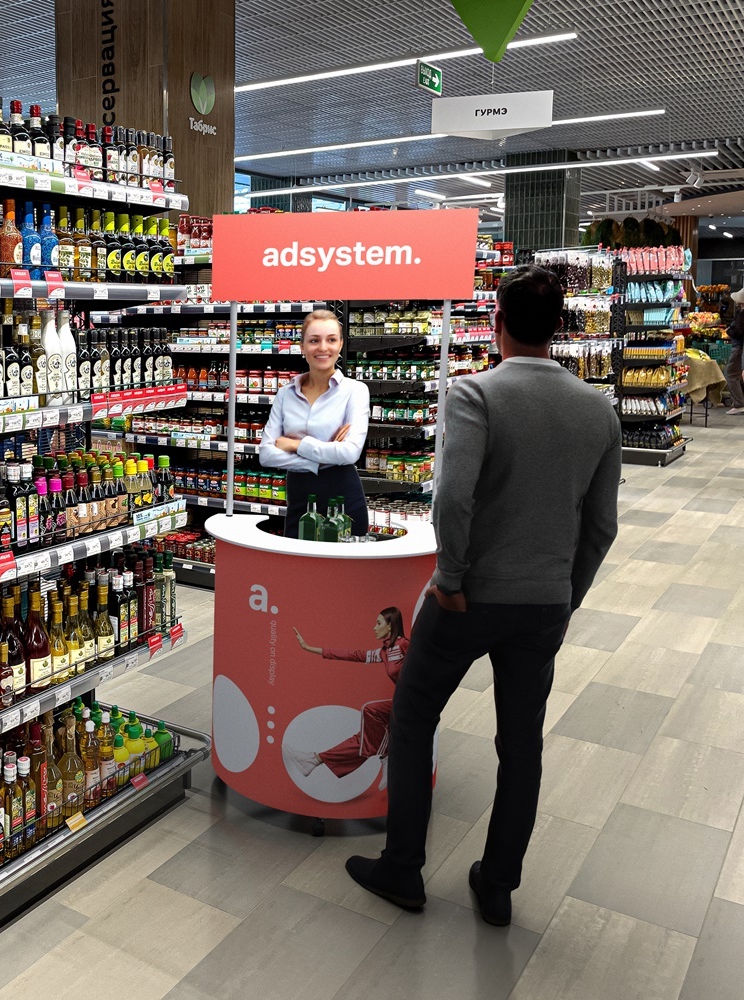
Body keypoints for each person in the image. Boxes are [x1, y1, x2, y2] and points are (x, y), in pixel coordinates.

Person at [344, 265, 621, 928]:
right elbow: (601, 525)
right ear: (559, 328)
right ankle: (497, 885)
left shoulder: (475, 393)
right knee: (520, 744)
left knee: (413, 715)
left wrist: (450, 578)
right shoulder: (598, 410)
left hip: (468, 600)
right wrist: (568, 597)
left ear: (496, 323)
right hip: (542, 602)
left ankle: (403, 867)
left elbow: (454, 497)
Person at [259, 310, 370, 537]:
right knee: (296, 559)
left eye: (331, 340)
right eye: (314, 341)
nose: (323, 348)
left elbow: (350, 453)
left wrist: (295, 445)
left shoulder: (355, 391)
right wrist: (323, 458)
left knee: (344, 560)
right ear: (302, 347)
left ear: (340, 345)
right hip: (300, 497)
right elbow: (266, 455)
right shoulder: (285, 395)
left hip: (343, 498)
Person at [285, 608, 408, 791]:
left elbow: (425, 665)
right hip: (402, 703)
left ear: (390, 626)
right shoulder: (384, 652)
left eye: (378, 623)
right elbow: (353, 655)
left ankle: (387, 755)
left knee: (370, 711)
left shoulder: (404, 645)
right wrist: (309, 648)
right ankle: (314, 760)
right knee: (364, 738)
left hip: (415, 703)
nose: (374, 628)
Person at [725, 286, 744, 414]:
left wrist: (729, 331)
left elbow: (738, 331)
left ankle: (739, 403)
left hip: (738, 347)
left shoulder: (742, 315)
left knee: (731, 373)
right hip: (739, 346)